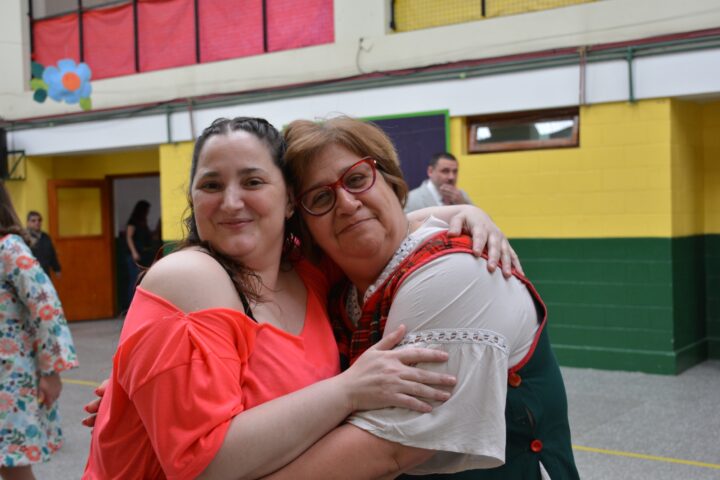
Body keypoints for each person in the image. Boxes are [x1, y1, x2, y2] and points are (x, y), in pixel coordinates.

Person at [83, 117, 519, 479]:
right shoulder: (189, 275)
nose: (232, 202)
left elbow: (364, 220)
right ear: (192, 199)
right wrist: (348, 390)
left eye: (253, 180)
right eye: (211, 185)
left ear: (290, 201)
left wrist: (462, 214)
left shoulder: (307, 272)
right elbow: (202, 464)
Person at [269, 116, 579, 479]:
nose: (347, 204)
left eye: (356, 179)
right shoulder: (342, 286)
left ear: (390, 181)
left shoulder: (455, 273)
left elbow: (387, 453)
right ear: (305, 228)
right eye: (320, 197)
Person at [0, 182, 78, 480]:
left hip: (11, 379)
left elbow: (47, 309)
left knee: (13, 465)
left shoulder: (9, 249)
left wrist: (51, 372)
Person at [404, 152, 473, 212]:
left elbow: (479, 222)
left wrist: (462, 204)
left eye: (455, 171)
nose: (452, 177)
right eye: (445, 171)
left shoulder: (462, 195)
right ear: (430, 171)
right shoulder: (411, 200)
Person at [124, 200, 153, 304]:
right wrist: (134, 252)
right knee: (134, 281)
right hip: (133, 256)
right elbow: (129, 237)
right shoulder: (132, 221)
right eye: (146, 210)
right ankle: (130, 306)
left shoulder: (143, 222)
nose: (148, 212)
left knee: (139, 280)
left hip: (142, 255)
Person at [25, 211, 61, 278]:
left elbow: (52, 254)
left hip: (45, 273)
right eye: (33, 221)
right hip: (30, 274)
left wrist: (57, 269)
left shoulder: (46, 237)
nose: (37, 223)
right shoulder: (24, 237)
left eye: (39, 220)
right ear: (28, 223)